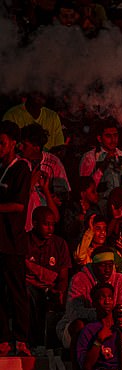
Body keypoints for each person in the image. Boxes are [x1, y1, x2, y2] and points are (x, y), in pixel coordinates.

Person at [0, 121, 32, 356]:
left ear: (13, 143)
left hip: (13, 242)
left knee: (16, 291)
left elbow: (19, 205)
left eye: (1, 143)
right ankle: (2, 338)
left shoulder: (21, 168)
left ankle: (21, 339)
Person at [25, 206, 71, 349]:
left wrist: (60, 291)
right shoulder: (24, 242)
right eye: (46, 224)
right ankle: (32, 343)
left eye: (53, 225)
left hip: (52, 289)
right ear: (35, 223)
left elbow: (63, 276)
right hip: (30, 289)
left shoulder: (59, 243)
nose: (50, 228)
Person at [79, 118, 122, 204]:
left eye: (115, 135)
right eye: (108, 136)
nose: (113, 140)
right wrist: (103, 166)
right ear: (99, 138)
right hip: (100, 204)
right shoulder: (90, 157)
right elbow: (85, 187)